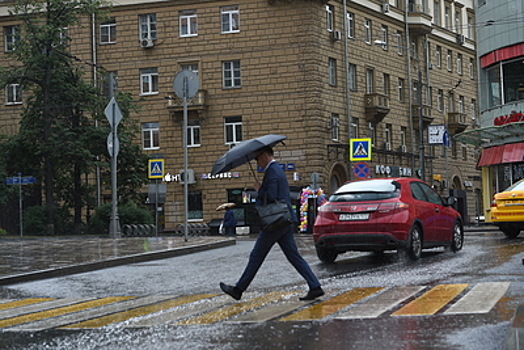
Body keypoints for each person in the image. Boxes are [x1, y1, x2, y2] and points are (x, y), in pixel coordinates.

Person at [220, 146, 324, 301]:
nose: (256, 162)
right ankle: (315, 286)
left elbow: (273, 195)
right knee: (294, 256)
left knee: (256, 256)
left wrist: (259, 190)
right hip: (283, 220)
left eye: (257, 158)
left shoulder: (272, 171)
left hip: (275, 221)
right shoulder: (276, 170)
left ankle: (238, 289)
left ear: (265, 155)